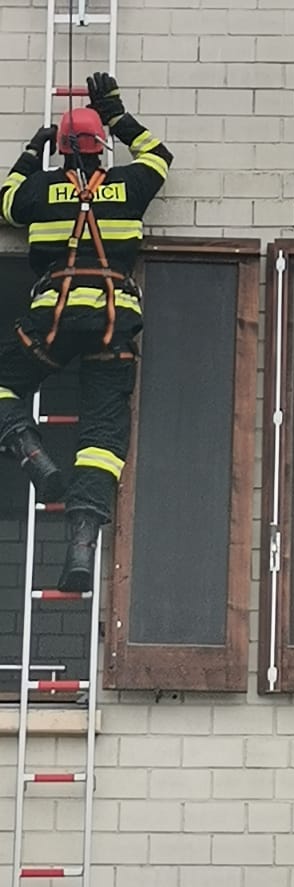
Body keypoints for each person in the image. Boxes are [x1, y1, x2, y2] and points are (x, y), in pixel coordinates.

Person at [0, 75, 172, 591]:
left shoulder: (38, 191)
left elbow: (5, 201)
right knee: (101, 439)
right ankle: (80, 543)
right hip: (111, 331)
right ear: (103, 148)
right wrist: (116, 111)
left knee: (4, 383)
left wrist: (33, 150)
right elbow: (159, 158)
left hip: (48, 327)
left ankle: (31, 452)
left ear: (60, 151)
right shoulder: (129, 187)